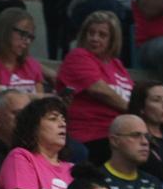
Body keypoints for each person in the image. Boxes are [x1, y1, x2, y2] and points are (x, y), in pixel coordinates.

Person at [57, 10, 134, 161]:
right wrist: (135, 111)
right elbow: (99, 90)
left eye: (102, 35)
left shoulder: (116, 64)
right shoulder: (78, 56)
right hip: (92, 135)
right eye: (91, 33)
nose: (94, 38)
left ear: (113, 40)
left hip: (118, 133)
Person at [0, 97, 73, 189]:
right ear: (34, 127)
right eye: (53, 118)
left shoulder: (72, 169)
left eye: (63, 119)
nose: (62, 124)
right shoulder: (21, 157)